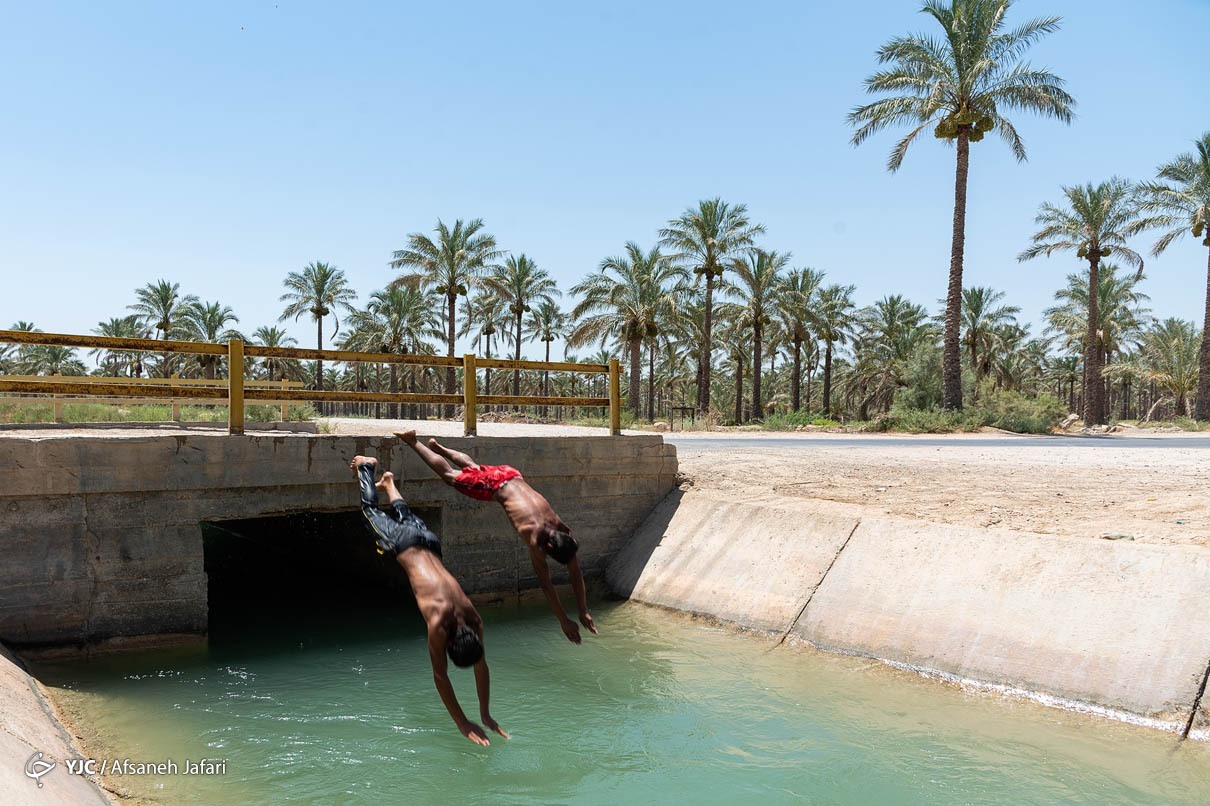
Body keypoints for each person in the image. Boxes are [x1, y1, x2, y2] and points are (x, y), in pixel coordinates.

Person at [351, 455, 508, 746]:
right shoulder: (439, 625)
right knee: (369, 510)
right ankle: (365, 467)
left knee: (405, 515)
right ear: (450, 644)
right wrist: (463, 722)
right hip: (404, 545)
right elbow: (441, 677)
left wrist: (485, 714)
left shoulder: (474, 620)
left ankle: (388, 483)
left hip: (429, 541)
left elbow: (480, 664)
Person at [396, 429, 598, 645]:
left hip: (511, 475)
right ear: (548, 546)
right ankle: (413, 441)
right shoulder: (536, 541)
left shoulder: (563, 531)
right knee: (450, 476)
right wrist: (563, 620)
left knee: (473, 468)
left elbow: (575, 572)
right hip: (495, 488)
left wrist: (583, 610)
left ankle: (440, 448)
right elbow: (546, 585)